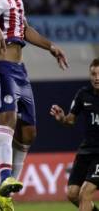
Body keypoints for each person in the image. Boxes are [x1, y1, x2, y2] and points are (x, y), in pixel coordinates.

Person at [0, 0, 69, 210]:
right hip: (1, 67)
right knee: (7, 119)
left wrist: (51, 46)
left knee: (29, 132)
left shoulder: (17, 0)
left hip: (20, 71)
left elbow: (25, 30)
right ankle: (5, 179)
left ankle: (5, 192)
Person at [50, 58, 99, 211]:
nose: (97, 77)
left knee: (85, 193)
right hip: (86, 151)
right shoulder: (83, 94)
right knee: (72, 194)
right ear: (89, 75)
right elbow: (70, 121)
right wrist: (62, 118)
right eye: (93, 74)